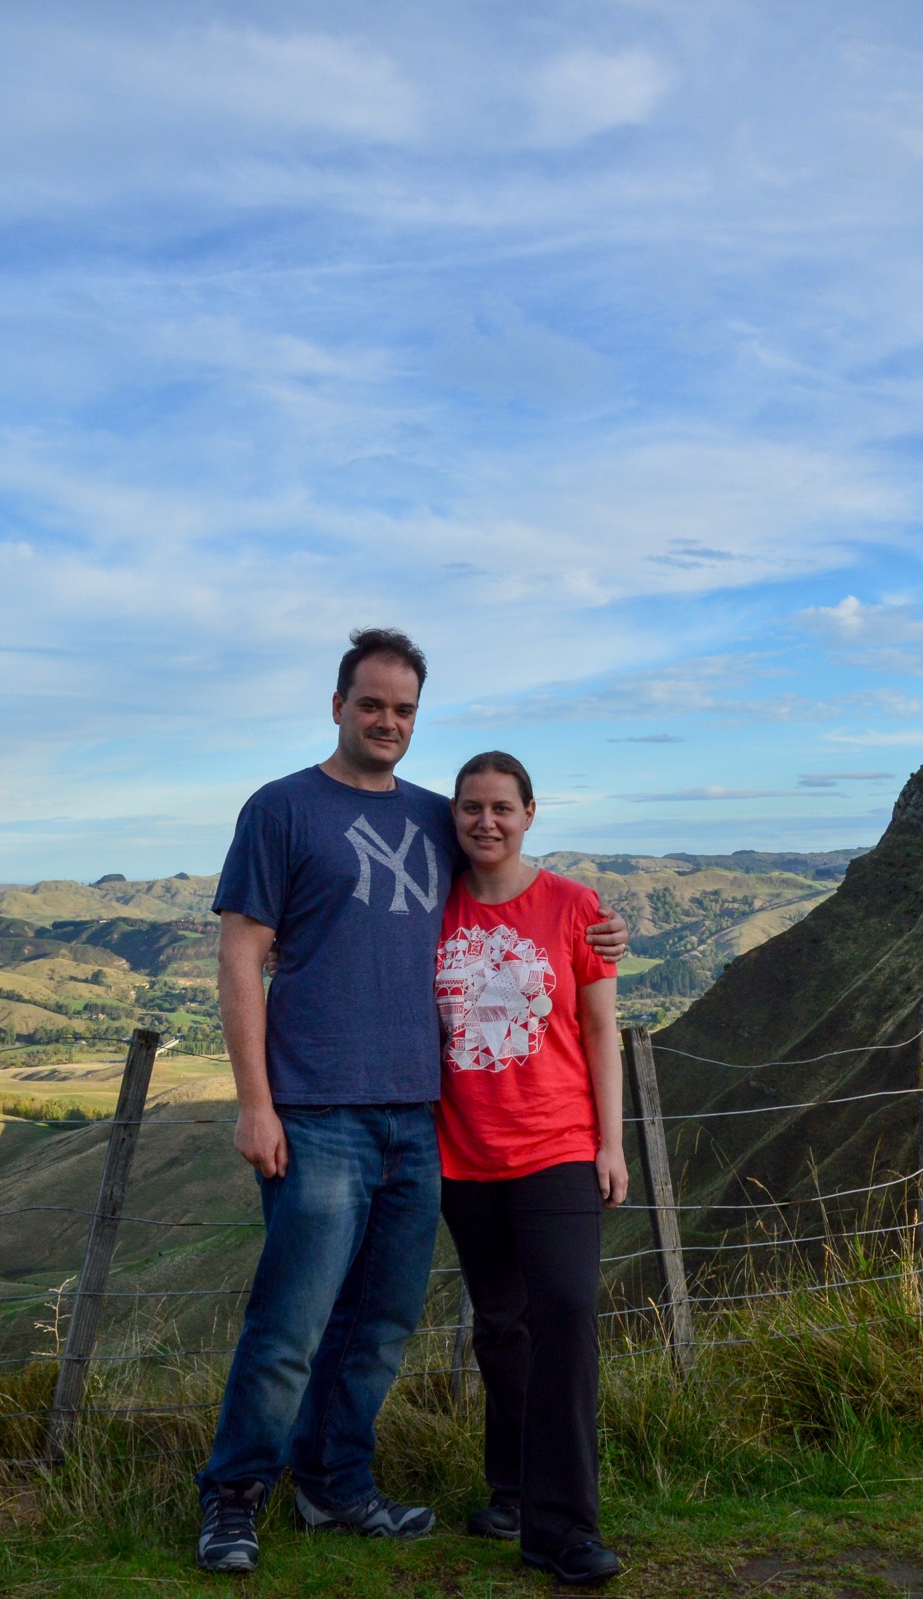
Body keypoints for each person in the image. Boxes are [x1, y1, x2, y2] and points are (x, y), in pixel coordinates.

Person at [194, 630, 627, 1575]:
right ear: (339, 704)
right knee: (291, 1321)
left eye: (404, 710)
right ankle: (233, 1495)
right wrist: (253, 1103)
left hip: (420, 1120)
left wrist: (603, 926)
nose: (387, 721)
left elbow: (516, 877)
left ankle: (336, 1482)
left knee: (381, 1325)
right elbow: (239, 958)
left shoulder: (437, 815)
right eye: (371, 703)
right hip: (314, 1111)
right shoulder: (279, 809)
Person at [433, 750, 628, 1586]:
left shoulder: (573, 906)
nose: (487, 821)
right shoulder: (431, 909)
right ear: (455, 815)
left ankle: (563, 1527)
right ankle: (510, 1490)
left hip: (556, 1147)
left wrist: (609, 1143)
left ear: (530, 813)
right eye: (472, 807)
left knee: (567, 1319)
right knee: (502, 1327)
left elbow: (598, 1031)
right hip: (463, 1156)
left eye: (502, 807)